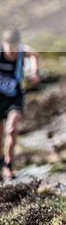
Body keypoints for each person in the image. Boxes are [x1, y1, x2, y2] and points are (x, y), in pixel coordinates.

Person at [0, 28, 39, 180]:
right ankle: (2, 162)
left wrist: (34, 72)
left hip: (14, 97)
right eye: (10, 48)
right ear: (4, 44)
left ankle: (8, 164)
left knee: (12, 129)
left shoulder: (23, 51)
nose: (12, 51)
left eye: (15, 48)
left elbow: (35, 55)